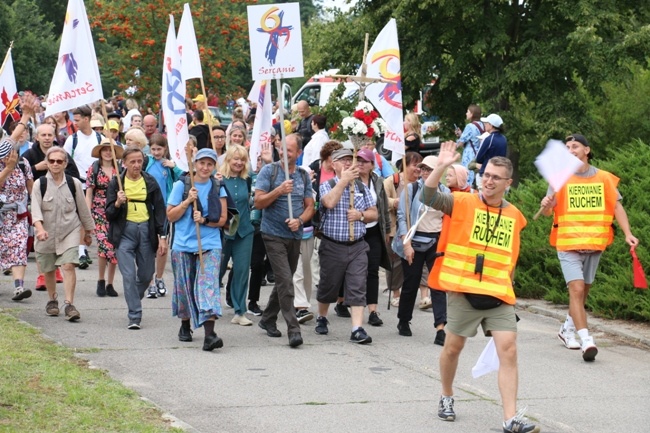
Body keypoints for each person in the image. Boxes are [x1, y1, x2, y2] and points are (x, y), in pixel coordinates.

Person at [423, 140, 538, 433]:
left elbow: (510, 258)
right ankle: (446, 395)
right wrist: (441, 165)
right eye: (486, 174)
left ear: (508, 183)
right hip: (463, 291)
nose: (488, 180)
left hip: (498, 293)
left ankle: (510, 419)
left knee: (509, 350)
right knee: (453, 348)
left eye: (496, 177)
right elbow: (428, 195)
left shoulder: (515, 216)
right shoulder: (462, 201)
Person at [540, 134, 638, 362]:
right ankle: (586, 340)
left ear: (587, 150)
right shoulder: (559, 178)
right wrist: (546, 205)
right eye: (566, 147)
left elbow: (616, 207)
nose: (570, 150)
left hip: (594, 243)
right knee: (575, 290)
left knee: (583, 293)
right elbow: (547, 211)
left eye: (575, 146)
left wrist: (628, 233)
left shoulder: (604, 178)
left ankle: (567, 329)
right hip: (568, 243)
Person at [254, 133, 314, 348]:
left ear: (298, 153)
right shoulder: (269, 171)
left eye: (289, 150)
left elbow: (310, 206)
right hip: (272, 234)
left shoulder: (304, 176)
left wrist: (299, 221)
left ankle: (268, 318)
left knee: (283, 280)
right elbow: (258, 202)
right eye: (282, 148)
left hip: (295, 235)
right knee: (286, 281)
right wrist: (279, 190)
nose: (284, 153)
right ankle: (293, 329)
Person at [314, 148, 378, 344]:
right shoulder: (327, 185)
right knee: (328, 285)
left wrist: (360, 215)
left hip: (358, 246)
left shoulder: (361, 187)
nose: (348, 164)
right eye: (343, 161)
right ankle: (322, 317)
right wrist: (343, 180)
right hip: (333, 245)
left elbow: (374, 213)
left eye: (350, 160)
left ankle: (357, 329)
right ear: (333, 165)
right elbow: (329, 203)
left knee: (358, 286)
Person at [167, 148, 227, 351]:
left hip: (209, 244)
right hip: (183, 245)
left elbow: (223, 220)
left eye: (210, 164)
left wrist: (204, 220)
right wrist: (186, 202)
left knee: (207, 286)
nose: (205, 167)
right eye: (202, 163)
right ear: (195, 164)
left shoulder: (218, 187)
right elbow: (171, 216)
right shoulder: (180, 186)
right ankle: (185, 324)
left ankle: (210, 335)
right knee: (184, 287)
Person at [106, 147, 168, 329]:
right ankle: (135, 315)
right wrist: (117, 203)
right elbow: (108, 214)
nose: (136, 165)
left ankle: (133, 297)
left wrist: (162, 236)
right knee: (129, 275)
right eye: (132, 161)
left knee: (146, 273)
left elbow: (160, 211)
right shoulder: (116, 183)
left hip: (146, 231)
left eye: (139, 161)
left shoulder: (150, 181)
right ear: (124, 163)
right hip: (125, 231)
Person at [32, 147, 95, 321]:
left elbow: (83, 210)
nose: (55, 164)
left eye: (59, 161)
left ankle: (69, 304)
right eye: (51, 161)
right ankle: (52, 300)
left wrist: (88, 232)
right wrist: (40, 229)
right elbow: (35, 210)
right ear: (47, 163)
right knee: (49, 268)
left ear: (65, 163)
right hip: (47, 232)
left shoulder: (74, 183)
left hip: (70, 230)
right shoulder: (40, 184)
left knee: (68, 265)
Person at [393, 155, 448, 344]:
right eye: (423, 169)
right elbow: (401, 216)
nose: (425, 173)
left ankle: (440, 328)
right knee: (411, 283)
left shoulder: (445, 191)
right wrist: (406, 244)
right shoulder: (411, 189)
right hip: (414, 240)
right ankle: (404, 320)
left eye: (430, 169)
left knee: (438, 286)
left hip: (436, 242)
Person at [0, 99, 35, 302]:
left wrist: (26, 117)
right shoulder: (6, 159)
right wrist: (7, 169)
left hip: (17, 213)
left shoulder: (22, 162)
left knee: (19, 245)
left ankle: (19, 287)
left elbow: (11, 141)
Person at [63, 105, 103, 269]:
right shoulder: (72, 139)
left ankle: (99, 249)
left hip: (97, 184)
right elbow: (65, 160)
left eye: (78, 120)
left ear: (87, 119)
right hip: (78, 183)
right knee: (80, 217)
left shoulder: (100, 139)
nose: (75, 122)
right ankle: (81, 251)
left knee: (96, 217)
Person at [219, 144, 255, 326]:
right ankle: (208, 306)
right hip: (223, 232)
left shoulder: (247, 179)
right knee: (216, 270)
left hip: (244, 232)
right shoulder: (218, 179)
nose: (239, 162)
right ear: (228, 160)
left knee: (241, 271)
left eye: (242, 159)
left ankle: (239, 311)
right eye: (236, 158)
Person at [144, 133, 183, 299]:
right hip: (147, 208)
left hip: (164, 209)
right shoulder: (147, 162)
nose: (156, 152)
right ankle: (150, 283)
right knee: (147, 246)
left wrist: (174, 166)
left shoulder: (169, 164)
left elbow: (184, 177)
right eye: (153, 149)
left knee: (163, 245)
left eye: (159, 149)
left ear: (165, 149)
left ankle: (159, 278)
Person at [356, 148, 391, 327]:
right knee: (350, 269)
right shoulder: (351, 180)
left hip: (374, 230)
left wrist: (386, 231)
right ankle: (341, 301)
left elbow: (383, 207)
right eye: (358, 160)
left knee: (372, 270)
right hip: (355, 230)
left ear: (372, 165)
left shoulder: (378, 181)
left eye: (364, 161)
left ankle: (372, 310)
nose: (360, 163)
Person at [383, 152, 423, 307]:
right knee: (395, 261)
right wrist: (395, 202)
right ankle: (396, 293)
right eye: (414, 165)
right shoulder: (392, 181)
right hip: (394, 228)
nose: (418, 169)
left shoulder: (422, 183)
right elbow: (381, 200)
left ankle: (422, 295)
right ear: (404, 166)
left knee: (418, 263)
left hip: (415, 229)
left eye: (420, 165)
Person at [86, 138, 123, 298]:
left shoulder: (120, 170)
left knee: (115, 246)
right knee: (104, 246)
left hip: (116, 210)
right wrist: (87, 215)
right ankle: (101, 279)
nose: (108, 152)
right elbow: (89, 194)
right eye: (105, 149)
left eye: (111, 150)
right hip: (99, 212)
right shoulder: (93, 169)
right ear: (100, 152)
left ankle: (110, 282)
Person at [475, 113, 507, 191]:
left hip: (486, 172)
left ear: (491, 125)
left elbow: (478, 158)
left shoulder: (489, 139)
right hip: (498, 173)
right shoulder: (504, 139)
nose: (485, 125)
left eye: (486, 123)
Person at [455, 104, 484, 188]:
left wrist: (455, 145)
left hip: (469, 155)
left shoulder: (470, 126)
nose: (466, 113)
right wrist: (461, 134)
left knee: (468, 178)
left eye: (468, 112)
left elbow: (461, 143)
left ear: (472, 114)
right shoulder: (482, 125)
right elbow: (473, 138)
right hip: (478, 153)